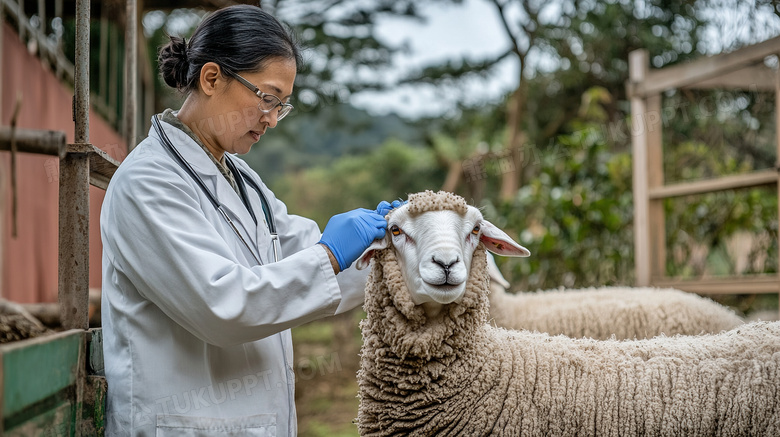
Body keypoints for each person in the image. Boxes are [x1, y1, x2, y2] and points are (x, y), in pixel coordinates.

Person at [100, 5, 399, 436]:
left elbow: (299, 255)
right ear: (211, 78)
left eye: (283, 105)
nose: (273, 119)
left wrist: (392, 243)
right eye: (267, 98)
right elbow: (222, 305)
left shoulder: (243, 180)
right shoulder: (147, 182)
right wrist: (330, 254)